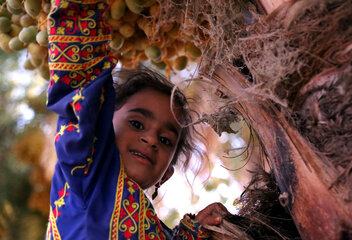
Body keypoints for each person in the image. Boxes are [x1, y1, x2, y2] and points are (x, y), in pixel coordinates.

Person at [46, 0, 229, 239]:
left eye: (165, 140)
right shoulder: (85, 174)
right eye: (136, 124)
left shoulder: (155, 229)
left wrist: (195, 231)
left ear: (166, 175)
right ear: (101, 127)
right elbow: (81, 79)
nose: (151, 138)